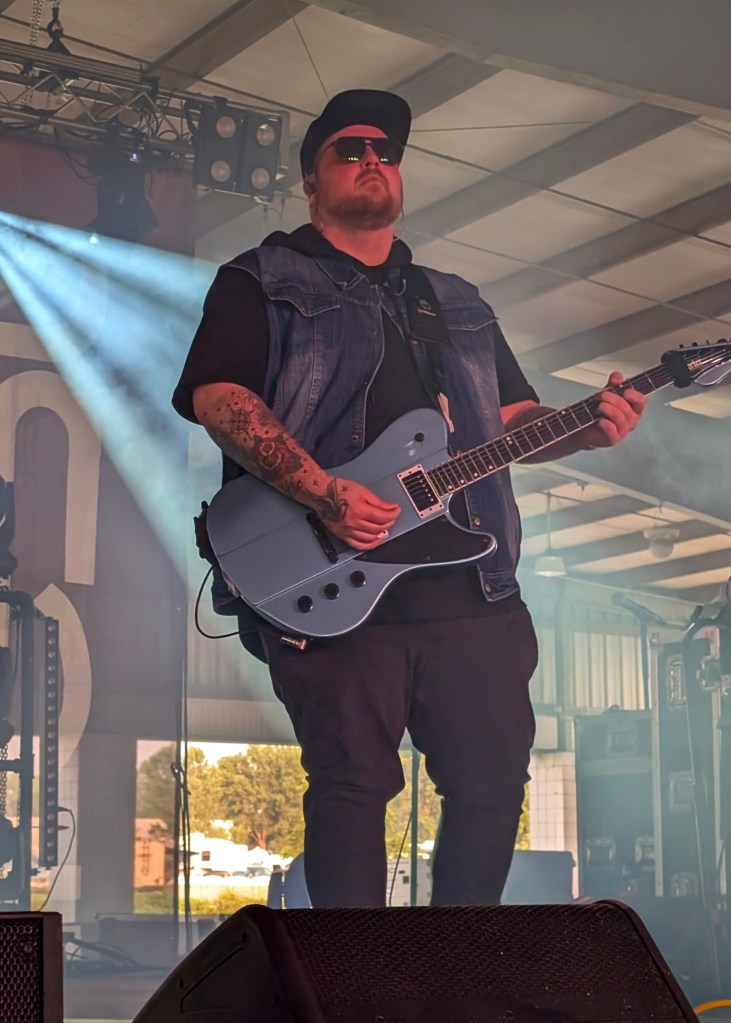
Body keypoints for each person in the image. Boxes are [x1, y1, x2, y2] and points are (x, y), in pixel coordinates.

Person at [173, 89, 646, 908]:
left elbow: (507, 420)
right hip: (338, 587)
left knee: (493, 787)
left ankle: (453, 975)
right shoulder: (262, 279)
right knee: (353, 785)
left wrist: (585, 429)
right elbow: (220, 398)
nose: (371, 161)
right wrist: (322, 493)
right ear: (311, 179)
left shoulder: (453, 299)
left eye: (385, 152)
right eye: (349, 150)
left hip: (473, 589)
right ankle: (354, 984)